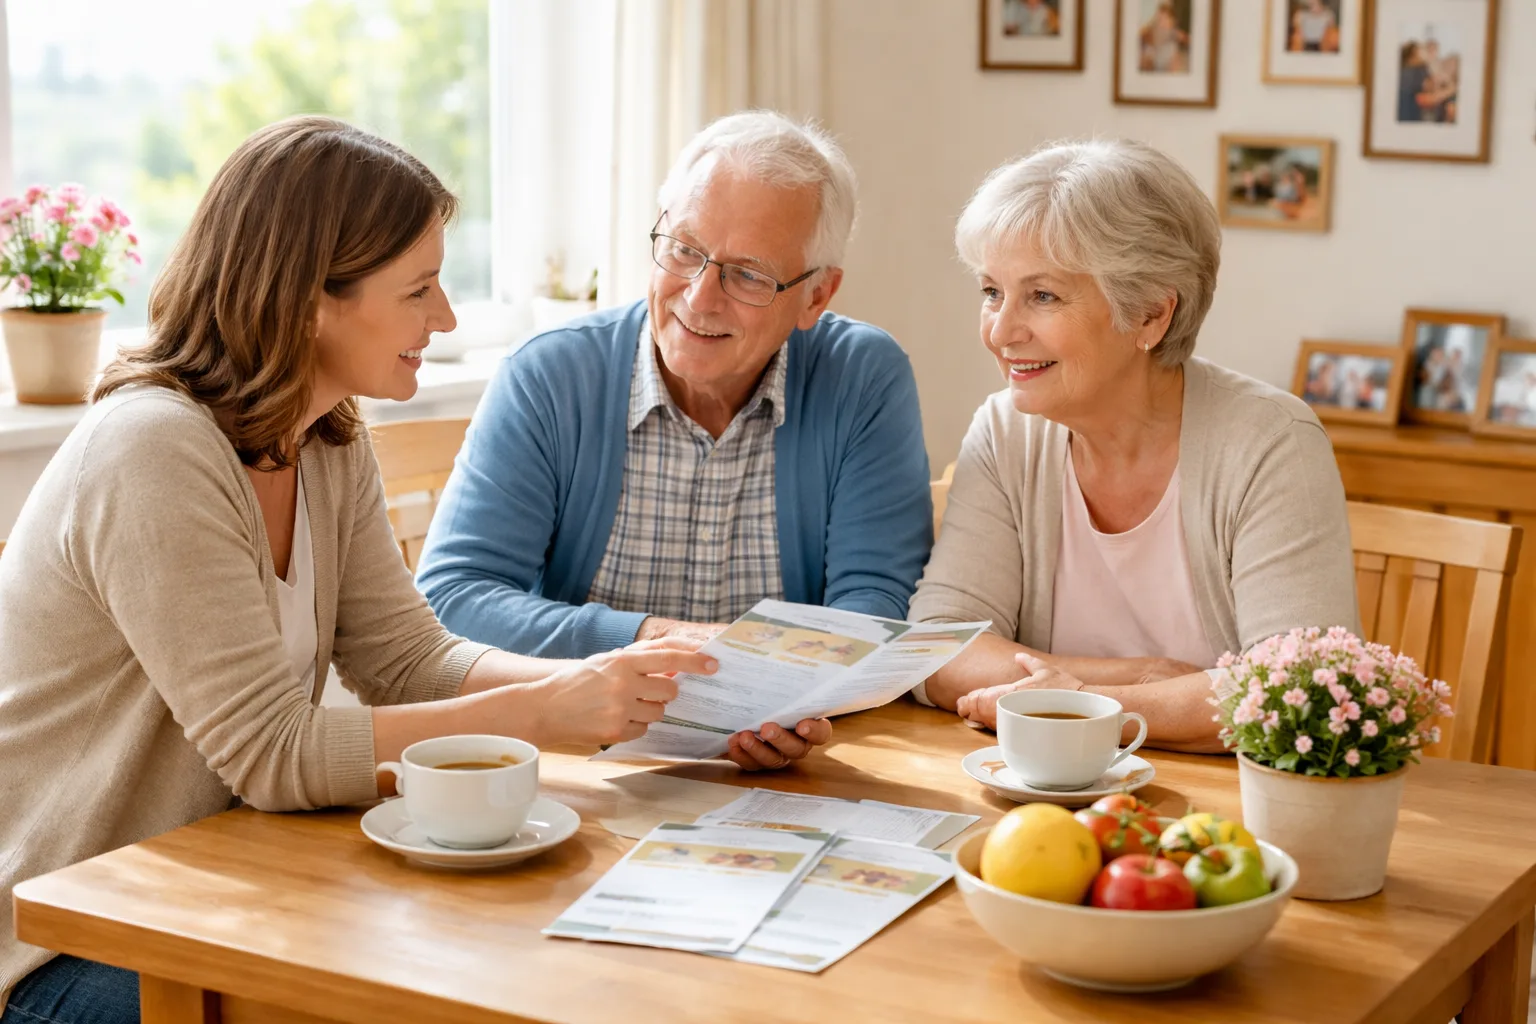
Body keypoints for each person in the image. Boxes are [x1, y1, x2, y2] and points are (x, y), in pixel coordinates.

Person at [0, 117, 716, 1023]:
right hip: (64, 941)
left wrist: (608, 688)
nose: (447, 317)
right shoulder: (155, 452)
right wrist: (542, 714)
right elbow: (275, 755)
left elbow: (407, 657)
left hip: (216, 888)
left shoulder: (327, 437)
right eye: (419, 289)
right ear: (308, 301)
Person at [415, 111, 932, 772]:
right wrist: (653, 640)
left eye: (747, 275)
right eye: (684, 249)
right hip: (578, 767)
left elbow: (872, 613)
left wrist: (804, 699)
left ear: (815, 297)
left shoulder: (862, 377)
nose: (699, 297)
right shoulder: (549, 375)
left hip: (789, 778)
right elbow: (453, 600)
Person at [911, 139, 1360, 753]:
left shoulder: (1269, 443)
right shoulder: (1006, 430)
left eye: (1042, 295)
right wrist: (1133, 678)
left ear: (1150, 314)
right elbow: (937, 649)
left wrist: (1078, 709)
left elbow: (1296, 687)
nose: (1000, 330)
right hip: (1044, 797)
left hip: (1231, 814)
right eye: (992, 291)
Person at [1140, 3, 1189, 73]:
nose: (1162, 22)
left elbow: (1184, 37)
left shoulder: (1173, 32)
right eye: (1160, 19)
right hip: (1154, 55)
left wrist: (1183, 38)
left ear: (1172, 21)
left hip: (1167, 57)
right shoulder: (1153, 30)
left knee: (1174, 55)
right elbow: (1145, 35)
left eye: (1166, 18)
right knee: (1147, 56)